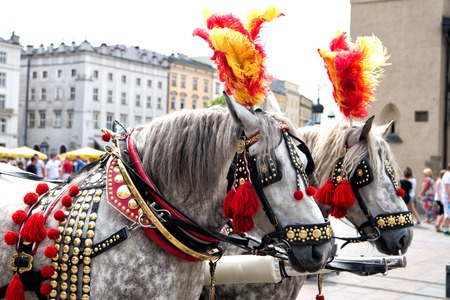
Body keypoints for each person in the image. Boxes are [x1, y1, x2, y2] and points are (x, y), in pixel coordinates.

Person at [440, 163, 450, 235]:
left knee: (447, 213)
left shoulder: (446, 174)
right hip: (447, 197)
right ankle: (446, 230)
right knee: (447, 214)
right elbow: (447, 188)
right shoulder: (448, 175)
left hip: (446, 197)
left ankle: (445, 228)